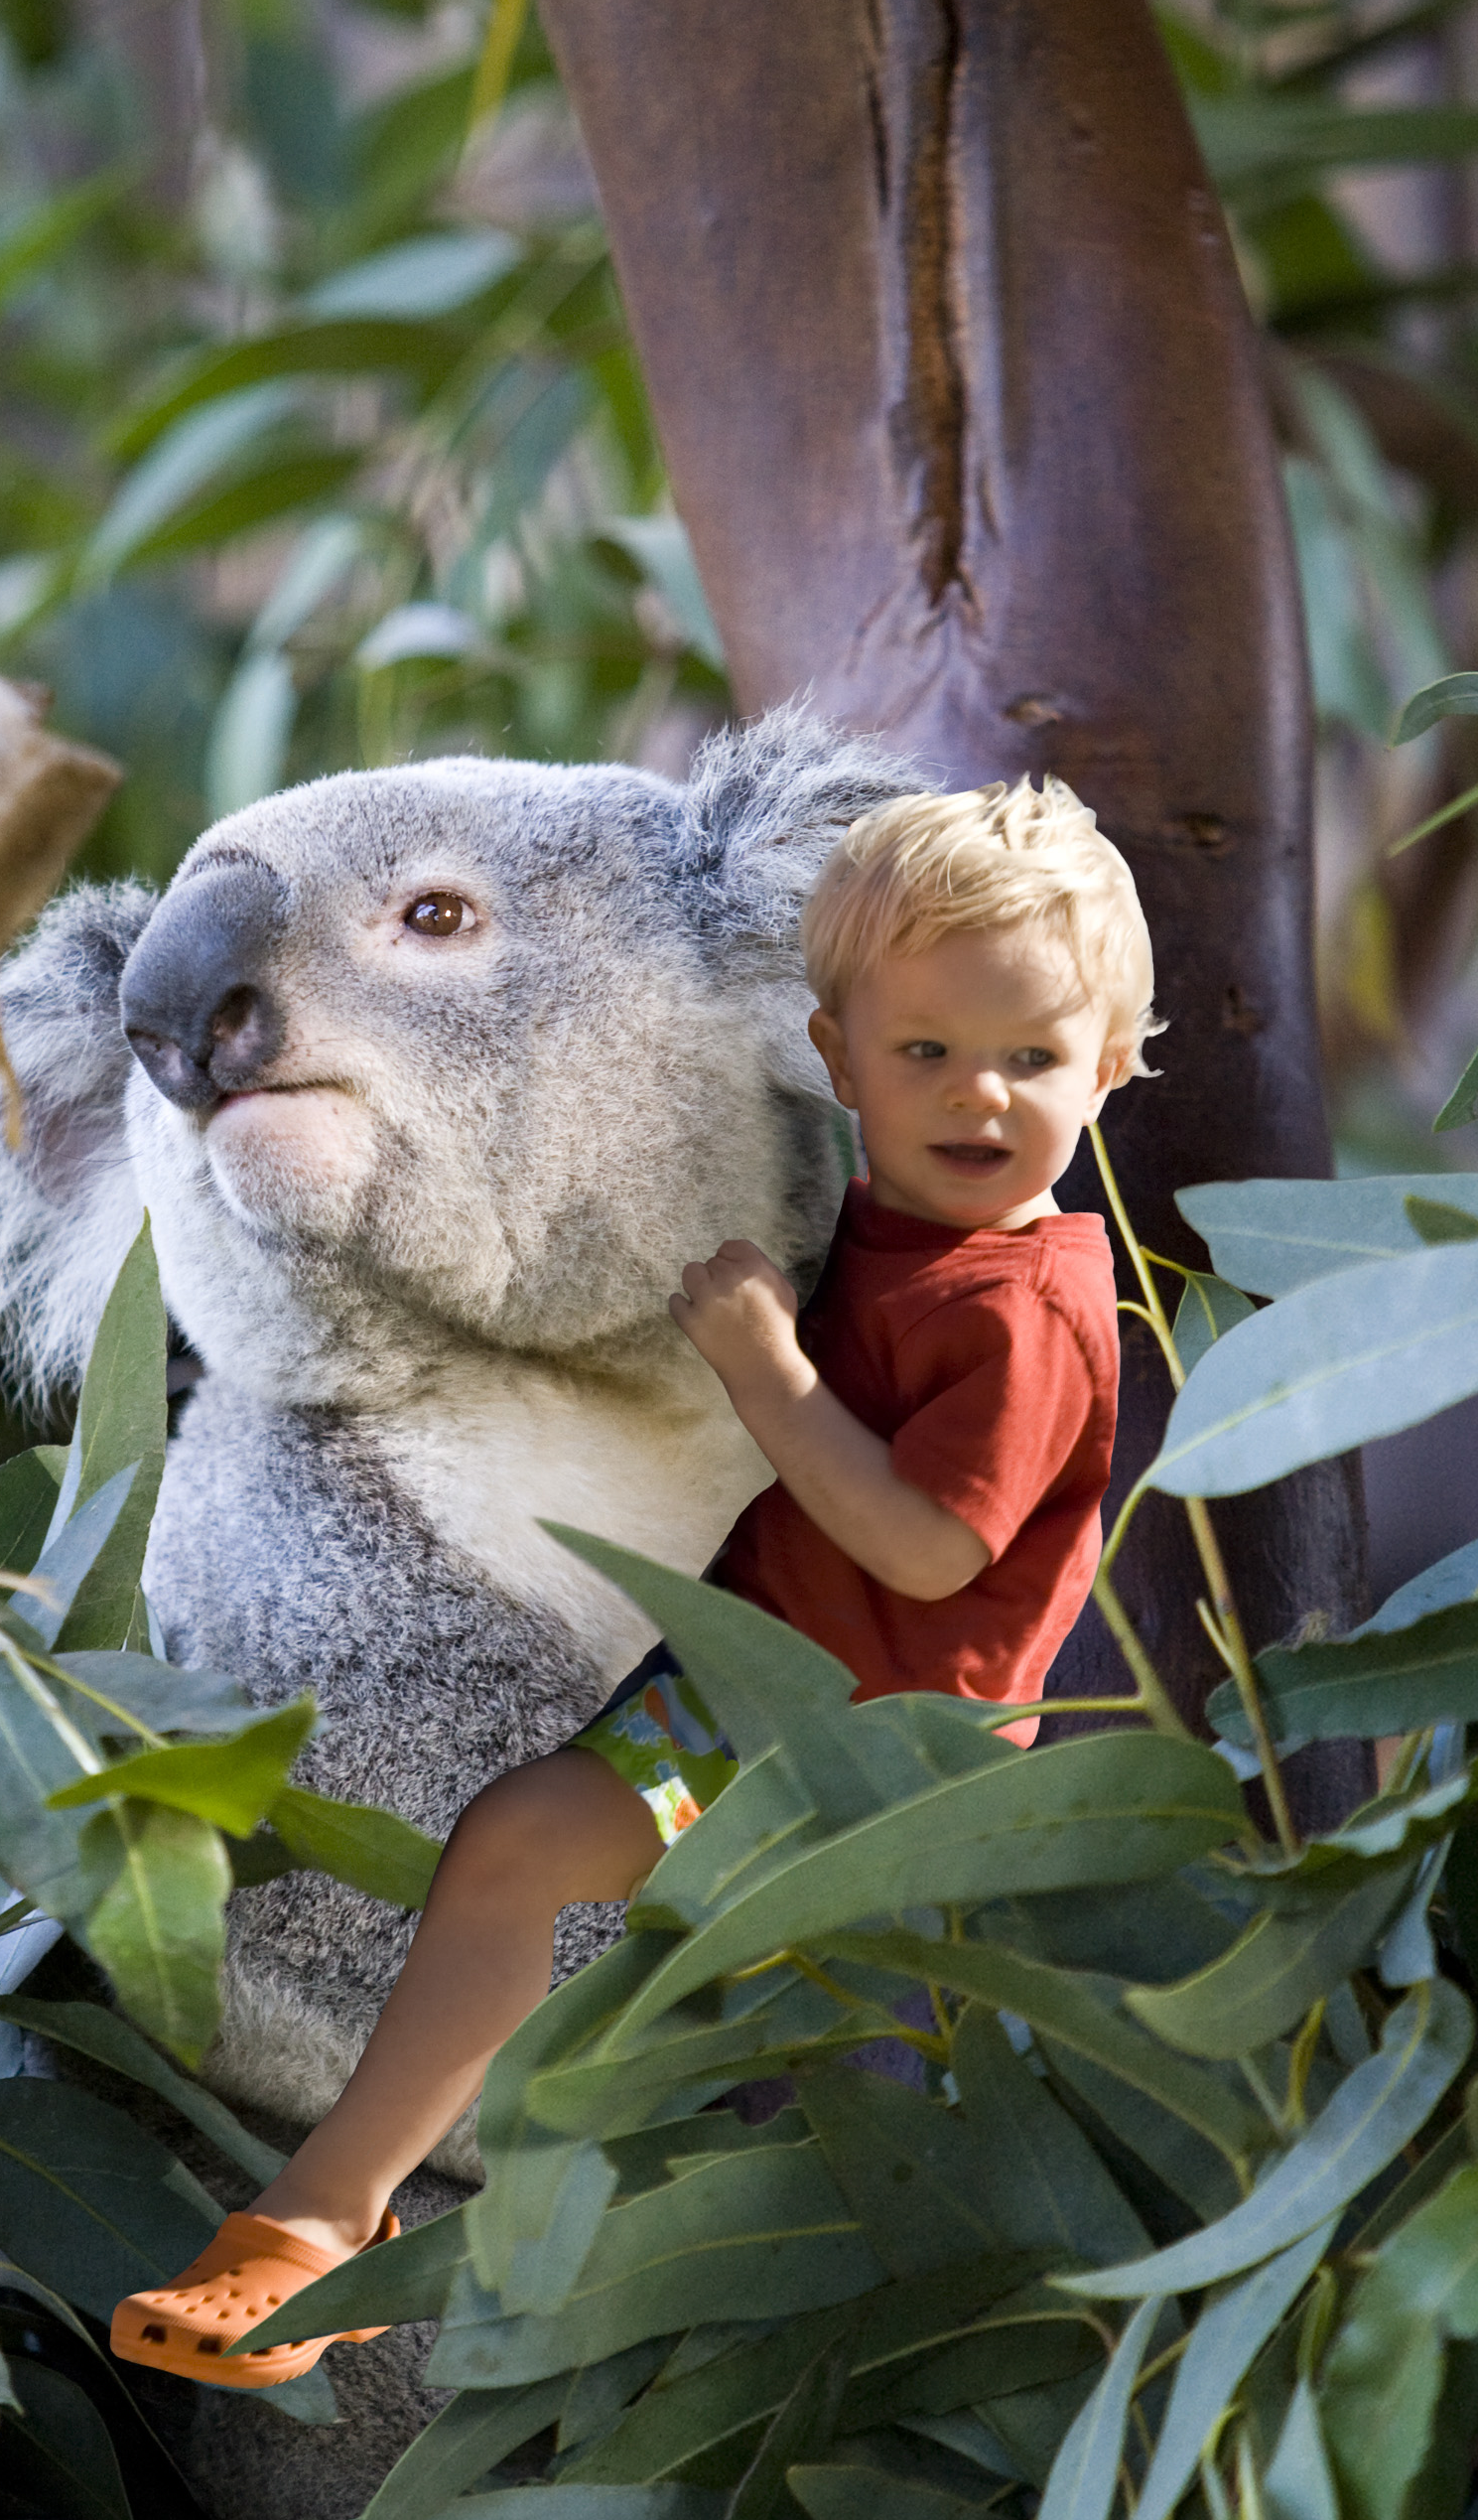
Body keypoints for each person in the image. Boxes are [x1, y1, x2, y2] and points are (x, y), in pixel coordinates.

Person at [110, 777, 1156, 2387]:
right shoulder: (880, 1227)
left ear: (1110, 1069)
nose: (970, 1096)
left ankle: (351, 2224)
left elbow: (933, 1552)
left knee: (625, 1962)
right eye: (921, 1054)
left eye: (436, 917)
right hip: (742, 1703)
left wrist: (766, 1377)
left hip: (864, 1747)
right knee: (515, 1852)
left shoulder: (1023, 1311)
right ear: (833, 1055)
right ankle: (316, 2220)